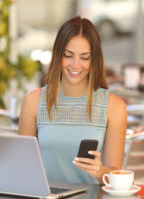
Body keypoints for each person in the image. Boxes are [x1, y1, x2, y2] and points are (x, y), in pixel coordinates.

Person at [18, 16, 127, 184]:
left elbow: (117, 177)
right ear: (57, 56)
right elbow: (20, 166)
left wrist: (100, 171)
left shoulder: (114, 107)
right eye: (68, 55)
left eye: (84, 57)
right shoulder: (33, 101)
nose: (75, 65)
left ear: (94, 60)